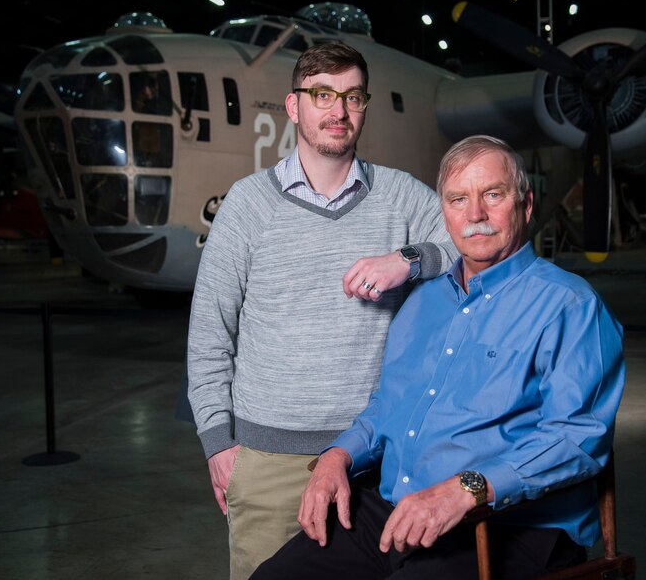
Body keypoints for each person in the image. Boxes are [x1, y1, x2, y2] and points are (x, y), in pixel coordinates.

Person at [250, 135, 626, 580]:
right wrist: (338, 457)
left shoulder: (570, 306)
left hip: (508, 526)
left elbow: (578, 439)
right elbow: (386, 408)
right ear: (444, 213)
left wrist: (469, 488)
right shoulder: (422, 303)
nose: (475, 216)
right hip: (394, 511)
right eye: (458, 199)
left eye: (492, 195)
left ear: (525, 204)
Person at [186, 41, 458, 580]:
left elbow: (468, 241)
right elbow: (209, 335)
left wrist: (407, 260)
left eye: (353, 97)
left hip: (375, 461)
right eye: (322, 95)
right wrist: (219, 445)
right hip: (268, 463)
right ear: (294, 107)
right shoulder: (247, 204)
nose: (338, 111)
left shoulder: (401, 197)